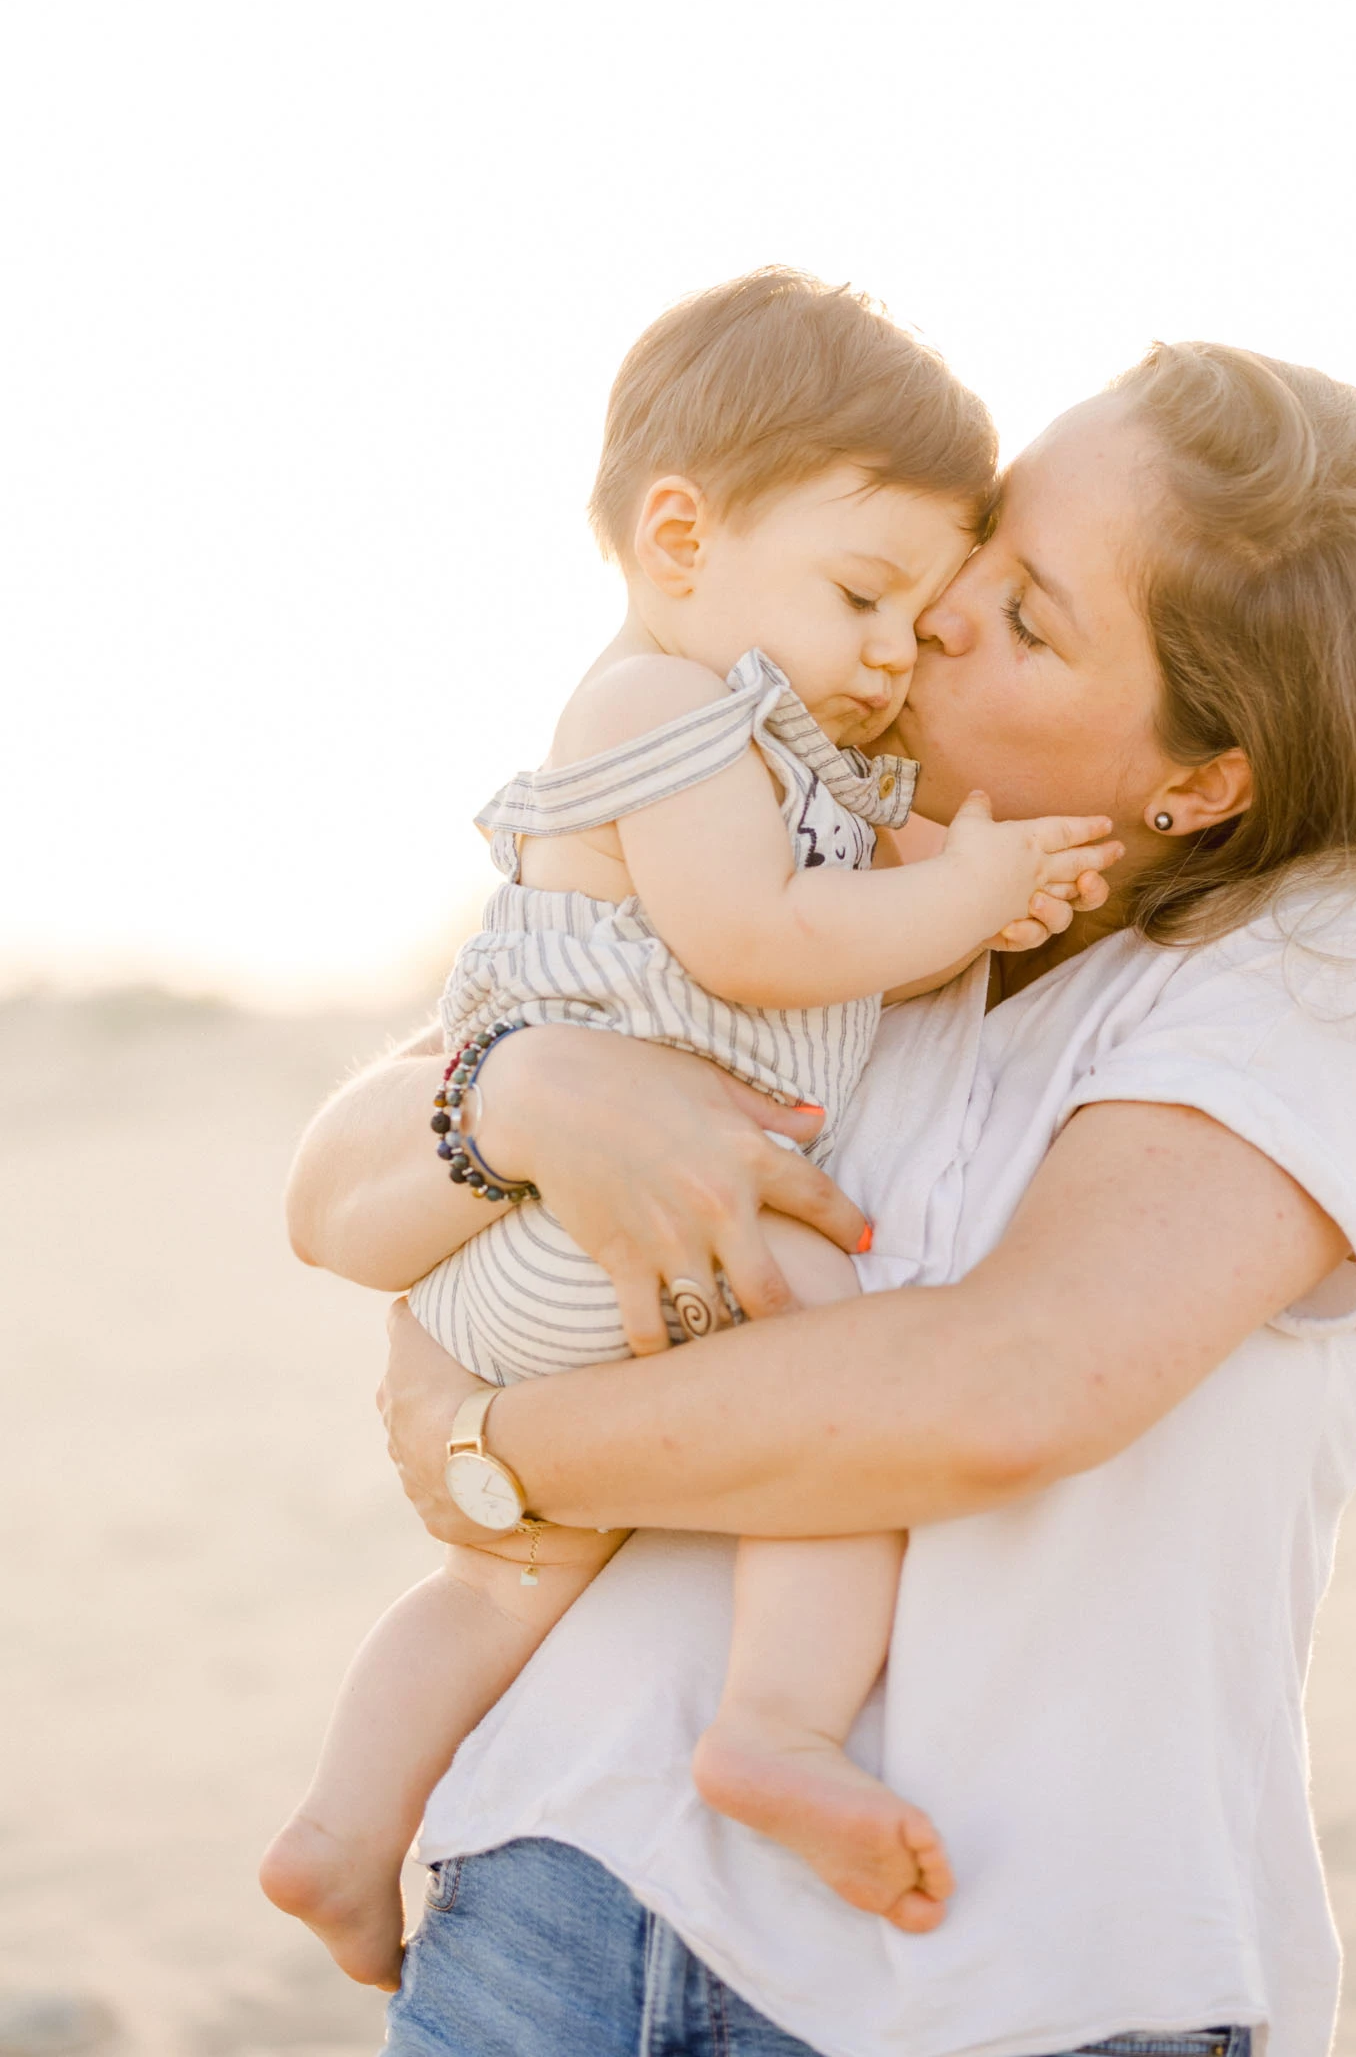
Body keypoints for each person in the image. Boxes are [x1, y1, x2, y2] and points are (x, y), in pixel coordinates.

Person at [288, 333, 1356, 2057]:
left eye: (1032, 616)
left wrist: (496, 1446)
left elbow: (1002, 1390)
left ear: (1205, 778)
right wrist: (532, 1088)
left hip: (1001, 1974)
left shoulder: (1336, 941)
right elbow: (334, 1195)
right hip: (564, 1890)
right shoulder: (817, 851)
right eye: (979, 554)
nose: (942, 618)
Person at [261, 272, 1122, 1986]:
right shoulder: (659, 714)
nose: (895, 647)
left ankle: (343, 1832)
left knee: (509, 1584)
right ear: (678, 536)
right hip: (578, 1230)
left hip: (564, 1242)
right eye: (865, 591)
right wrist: (964, 891)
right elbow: (756, 942)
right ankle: (780, 1726)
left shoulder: (772, 733)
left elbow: (839, 889)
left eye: (924, 610)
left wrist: (982, 886)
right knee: (829, 1368)